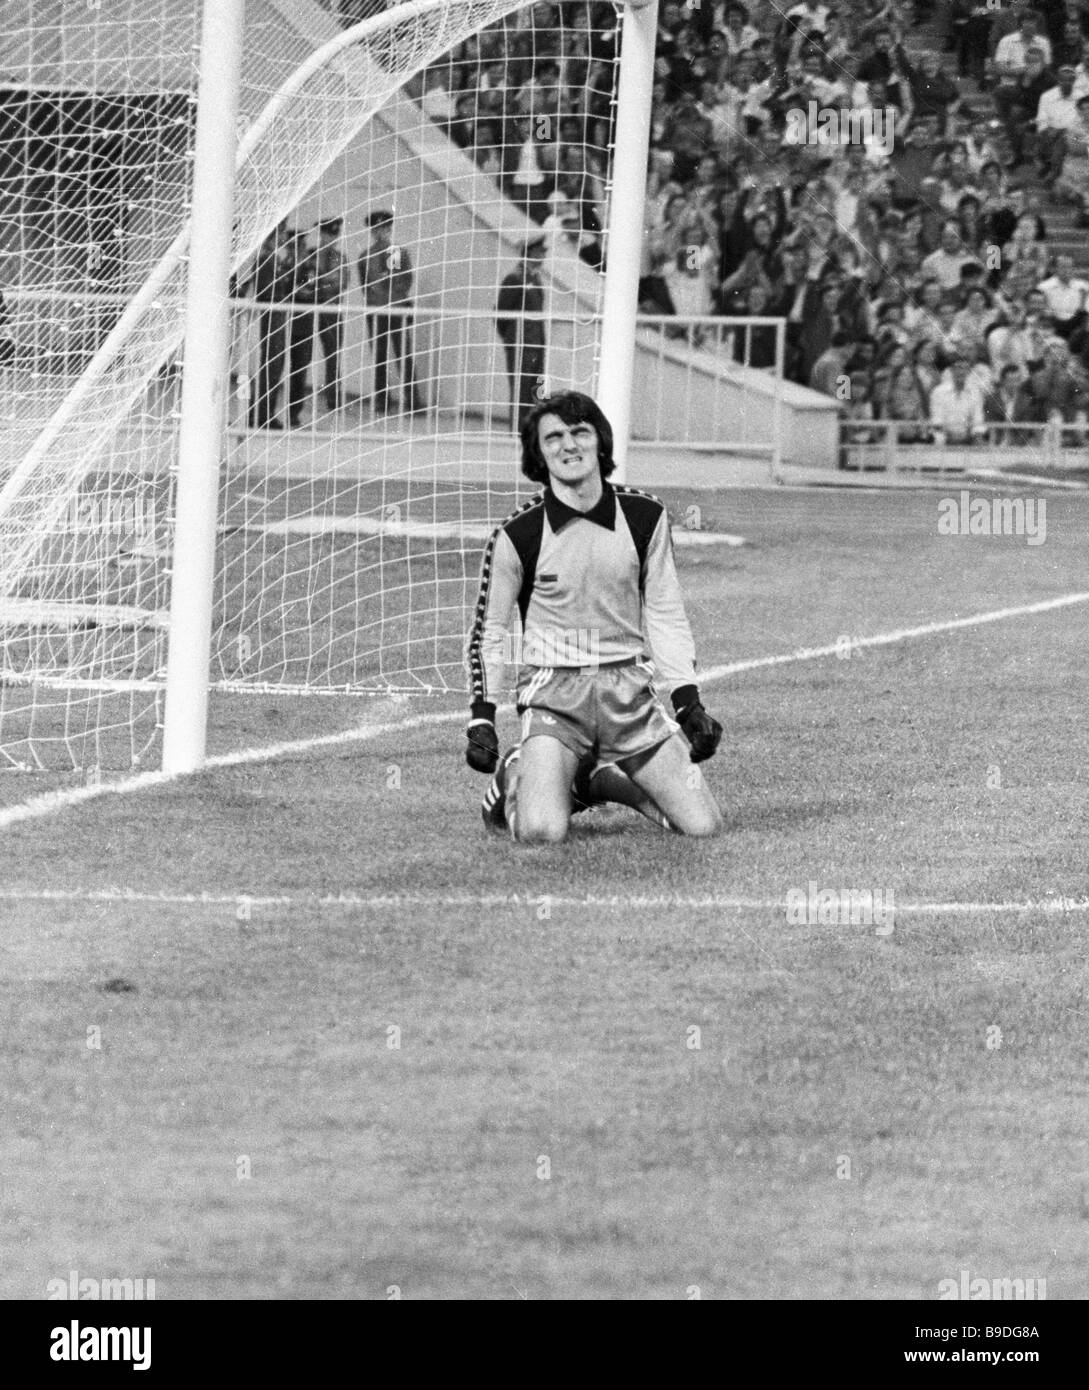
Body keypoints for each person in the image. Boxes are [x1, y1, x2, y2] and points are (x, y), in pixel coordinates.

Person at [464, 390, 723, 844]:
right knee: (542, 833)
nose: (569, 445)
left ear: (599, 442)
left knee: (703, 827)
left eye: (580, 432)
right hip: (555, 698)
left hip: (629, 697)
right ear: (538, 454)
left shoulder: (645, 517)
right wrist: (482, 717)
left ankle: (596, 780)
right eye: (554, 438)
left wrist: (688, 702)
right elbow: (491, 632)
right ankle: (516, 772)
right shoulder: (516, 535)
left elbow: (665, 614)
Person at [357, 209, 424, 416]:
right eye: (376, 229)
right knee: (379, 356)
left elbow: (402, 280)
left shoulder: (396, 252)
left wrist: (390, 294)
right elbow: (365, 285)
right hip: (376, 310)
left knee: (402, 354)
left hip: (395, 309)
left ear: (389, 229)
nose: (380, 233)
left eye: (384, 228)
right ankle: (382, 400)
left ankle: (413, 400)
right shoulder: (365, 256)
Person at [246, 222, 294, 430]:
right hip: (272, 315)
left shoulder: (273, 257)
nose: (284, 236)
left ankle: (265, 412)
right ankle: (262, 413)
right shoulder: (267, 258)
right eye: (282, 232)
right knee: (272, 365)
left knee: (274, 365)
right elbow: (267, 290)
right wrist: (285, 278)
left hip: (276, 315)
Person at [496, 237, 548, 430]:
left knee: (536, 389)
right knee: (521, 390)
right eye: (540, 251)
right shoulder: (515, 278)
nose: (543, 255)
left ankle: (532, 431)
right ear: (530, 253)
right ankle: (518, 432)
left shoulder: (533, 277)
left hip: (535, 343)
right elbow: (501, 313)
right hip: (521, 343)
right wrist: (512, 338)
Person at [311, 217, 351, 413]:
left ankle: (333, 398)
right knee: (301, 355)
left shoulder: (339, 257)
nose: (332, 239)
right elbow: (308, 282)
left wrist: (321, 280)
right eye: (328, 234)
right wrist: (328, 280)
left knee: (333, 355)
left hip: (332, 310)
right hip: (311, 309)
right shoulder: (311, 256)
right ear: (322, 234)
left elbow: (342, 283)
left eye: (334, 235)